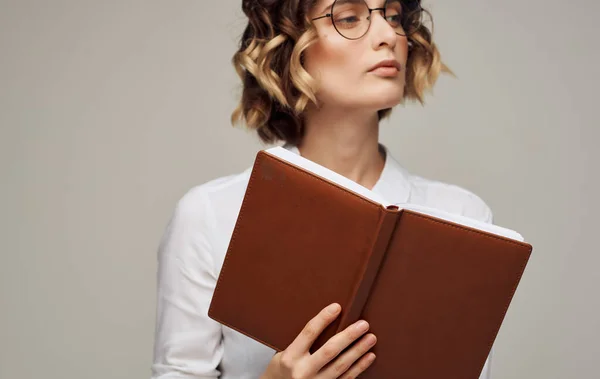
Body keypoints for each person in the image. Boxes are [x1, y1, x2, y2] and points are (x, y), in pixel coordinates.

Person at [151, 0, 494, 378]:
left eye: (393, 16)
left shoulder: (463, 219)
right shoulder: (212, 215)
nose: (388, 36)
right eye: (349, 18)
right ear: (288, 49)